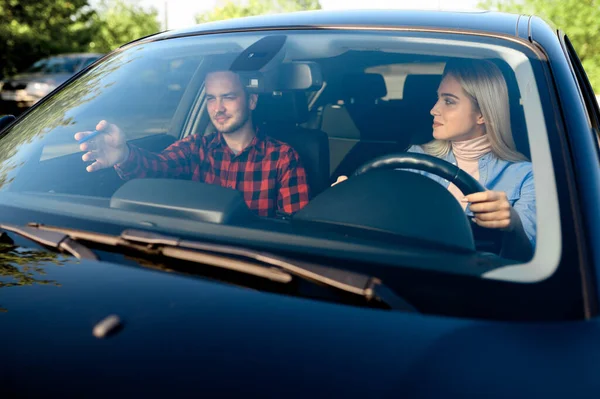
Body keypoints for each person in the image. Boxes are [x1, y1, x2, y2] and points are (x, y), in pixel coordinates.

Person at [334, 59, 535, 259]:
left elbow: (530, 259)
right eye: (437, 98)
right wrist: (354, 199)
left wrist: (514, 225)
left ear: (481, 114)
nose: (433, 109)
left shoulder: (526, 176)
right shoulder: (414, 158)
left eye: (448, 101)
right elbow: (385, 212)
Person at [74, 70, 310, 218]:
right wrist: (124, 155)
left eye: (228, 96)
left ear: (252, 101)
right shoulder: (195, 148)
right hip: (193, 255)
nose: (217, 108)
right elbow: (157, 166)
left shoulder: (282, 157)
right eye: (210, 99)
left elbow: (295, 229)